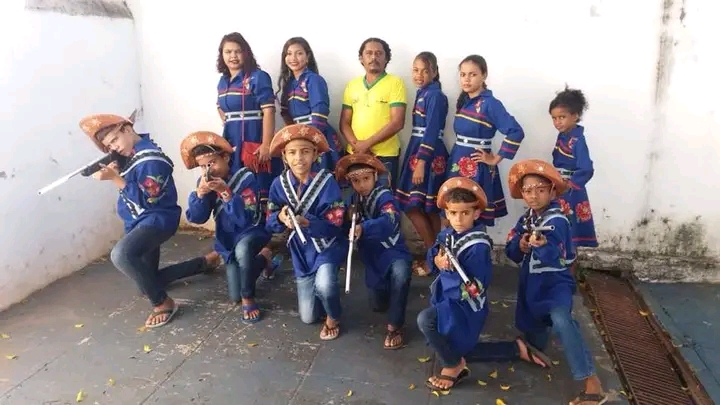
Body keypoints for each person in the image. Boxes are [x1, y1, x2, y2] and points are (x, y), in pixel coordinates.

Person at [80, 113, 220, 328]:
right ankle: (204, 263)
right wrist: (115, 168)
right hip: (137, 221)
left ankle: (163, 303)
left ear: (128, 129)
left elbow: (148, 201)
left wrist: (115, 178)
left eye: (115, 140)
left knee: (122, 255)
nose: (114, 147)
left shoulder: (151, 160)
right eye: (109, 145)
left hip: (157, 219)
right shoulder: (130, 152)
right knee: (147, 281)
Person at [504, 159, 607, 405]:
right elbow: (512, 253)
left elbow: (559, 255)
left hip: (555, 284)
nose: (534, 196)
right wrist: (519, 245)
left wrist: (543, 246)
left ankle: (592, 383)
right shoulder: (526, 220)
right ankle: (531, 344)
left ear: (552, 191)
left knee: (563, 321)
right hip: (531, 288)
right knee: (534, 342)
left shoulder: (558, 220)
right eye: (528, 190)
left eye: (540, 189)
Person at [181, 131, 280, 324]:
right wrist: (200, 195)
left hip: (252, 231)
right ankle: (264, 259)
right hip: (227, 238)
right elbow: (198, 218)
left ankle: (249, 298)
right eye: (203, 166)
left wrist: (225, 192)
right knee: (235, 294)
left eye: (212, 163)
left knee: (243, 252)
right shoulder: (204, 182)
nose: (208, 170)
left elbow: (245, 220)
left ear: (225, 157)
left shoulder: (246, 177)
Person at [265, 124, 347, 340]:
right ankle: (322, 293)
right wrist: (280, 218)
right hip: (301, 251)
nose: (299, 158)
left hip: (327, 246)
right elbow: (270, 220)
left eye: (305, 151)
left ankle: (333, 316)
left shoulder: (327, 182)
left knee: (325, 285)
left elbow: (336, 223)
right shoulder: (279, 184)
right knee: (308, 317)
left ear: (315, 154)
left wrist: (308, 223)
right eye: (292, 152)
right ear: (284, 156)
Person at [416, 177, 493, 391]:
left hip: (464, 305)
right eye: (453, 213)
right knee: (447, 336)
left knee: (426, 321)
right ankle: (516, 349)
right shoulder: (446, 234)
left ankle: (453, 364)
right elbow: (433, 253)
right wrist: (437, 261)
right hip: (446, 298)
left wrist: (449, 270)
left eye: (465, 213)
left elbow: (476, 286)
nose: (458, 219)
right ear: (447, 214)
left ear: (476, 213)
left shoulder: (478, 246)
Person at [336, 153, 412, 349]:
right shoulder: (353, 199)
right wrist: (347, 219)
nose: (362, 185)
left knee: (401, 273)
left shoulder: (385, 196)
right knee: (378, 305)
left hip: (393, 249)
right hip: (372, 255)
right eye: (356, 181)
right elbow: (342, 224)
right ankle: (390, 290)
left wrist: (364, 228)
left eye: (366, 179)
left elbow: (390, 219)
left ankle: (395, 326)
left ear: (375, 177)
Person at [447, 54, 525, 227]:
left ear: (484, 75)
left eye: (472, 74)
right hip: (457, 161)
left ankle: (477, 244)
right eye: (463, 74)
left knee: (474, 213)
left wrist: (495, 159)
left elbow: (516, 131)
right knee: (456, 213)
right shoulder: (465, 101)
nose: (466, 79)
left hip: (477, 167)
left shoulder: (491, 104)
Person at [395, 51, 449, 277]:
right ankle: (435, 254)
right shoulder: (423, 93)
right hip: (416, 149)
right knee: (418, 206)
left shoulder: (436, 96)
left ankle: (435, 256)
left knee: (426, 208)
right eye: (416, 70)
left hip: (428, 153)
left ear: (435, 72)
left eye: (425, 71)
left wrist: (421, 162)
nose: (419, 75)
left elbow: (432, 130)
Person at [215, 32, 283, 207]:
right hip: (231, 138)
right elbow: (220, 106)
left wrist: (267, 144)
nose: (233, 56)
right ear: (222, 55)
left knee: (257, 182)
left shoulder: (258, 77)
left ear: (246, 53)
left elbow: (269, 111)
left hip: (254, 136)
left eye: (237, 51)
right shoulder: (223, 81)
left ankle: (261, 220)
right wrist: (228, 121)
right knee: (234, 180)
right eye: (228, 52)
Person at [339, 37, 407, 189]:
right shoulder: (352, 85)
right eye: (369, 53)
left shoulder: (396, 83)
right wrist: (358, 147)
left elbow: (397, 122)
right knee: (354, 199)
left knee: (383, 198)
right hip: (354, 154)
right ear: (361, 58)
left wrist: (366, 145)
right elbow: (344, 122)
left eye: (379, 53)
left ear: (386, 58)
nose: (373, 57)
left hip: (385, 155)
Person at [549, 87, 598, 277]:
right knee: (560, 230)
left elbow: (586, 168)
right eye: (554, 118)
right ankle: (559, 272)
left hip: (571, 192)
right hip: (560, 187)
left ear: (575, 116)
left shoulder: (578, 141)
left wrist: (569, 185)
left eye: (562, 117)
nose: (557, 122)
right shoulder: (564, 136)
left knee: (571, 234)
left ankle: (570, 276)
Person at [276, 37, 342, 172]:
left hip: (316, 133)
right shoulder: (289, 84)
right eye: (289, 54)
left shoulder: (314, 80)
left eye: (299, 53)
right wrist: (293, 135)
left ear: (308, 57)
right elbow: (285, 112)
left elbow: (320, 111)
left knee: (318, 174)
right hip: (298, 136)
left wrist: (311, 139)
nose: (293, 58)